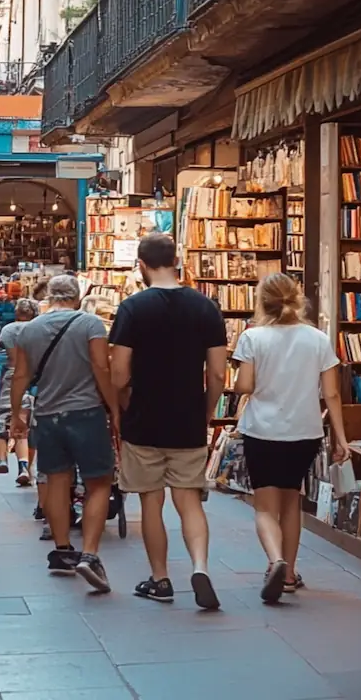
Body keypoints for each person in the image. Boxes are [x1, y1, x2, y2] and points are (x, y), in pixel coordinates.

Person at [108, 233, 226, 609]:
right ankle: (201, 567)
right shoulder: (206, 307)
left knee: (151, 503)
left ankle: (160, 578)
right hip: (188, 420)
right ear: (177, 261)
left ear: (141, 265)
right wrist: (205, 411)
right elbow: (219, 375)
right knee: (190, 501)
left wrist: (125, 405)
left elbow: (118, 373)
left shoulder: (132, 308)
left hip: (144, 421)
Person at [231, 272, 349, 603]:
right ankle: (291, 573)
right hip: (305, 432)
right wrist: (341, 438)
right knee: (292, 503)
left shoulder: (253, 338)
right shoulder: (317, 338)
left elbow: (244, 386)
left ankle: (275, 560)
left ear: (262, 301)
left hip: (263, 431)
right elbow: (332, 393)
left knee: (265, 507)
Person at [9, 274, 118, 592]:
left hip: (47, 415)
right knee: (98, 482)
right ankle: (90, 554)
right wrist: (113, 407)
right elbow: (101, 366)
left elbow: (21, 375)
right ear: (77, 296)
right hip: (86, 413)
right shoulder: (90, 324)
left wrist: (16, 413)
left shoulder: (29, 329)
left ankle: (62, 551)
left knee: (56, 480)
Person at [0, 298, 38, 483]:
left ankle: (2, 458)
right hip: (34, 378)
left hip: (9, 376)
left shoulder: (8, 329)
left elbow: (10, 357)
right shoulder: (39, 328)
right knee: (25, 425)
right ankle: (25, 468)